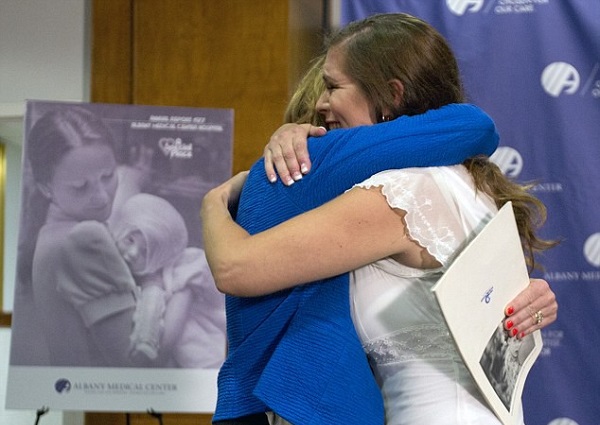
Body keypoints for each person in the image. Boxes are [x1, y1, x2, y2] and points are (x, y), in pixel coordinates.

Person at [202, 13, 557, 425]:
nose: (320, 104)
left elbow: (235, 268)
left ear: (391, 95)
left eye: (333, 87)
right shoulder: (470, 183)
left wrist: (213, 202)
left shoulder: (398, 194)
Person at [19, 106, 139, 366]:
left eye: (108, 176)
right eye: (80, 187)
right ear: (45, 188)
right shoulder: (84, 238)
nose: (102, 196)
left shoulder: (48, 233)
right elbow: (136, 360)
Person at [110, 193, 226, 368]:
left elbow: (169, 338)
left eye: (146, 251)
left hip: (207, 360)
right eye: (129, 240)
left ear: (160, 255)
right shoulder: (125, 272)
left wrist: (153, 363)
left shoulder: (180, 274)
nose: (133, 253)